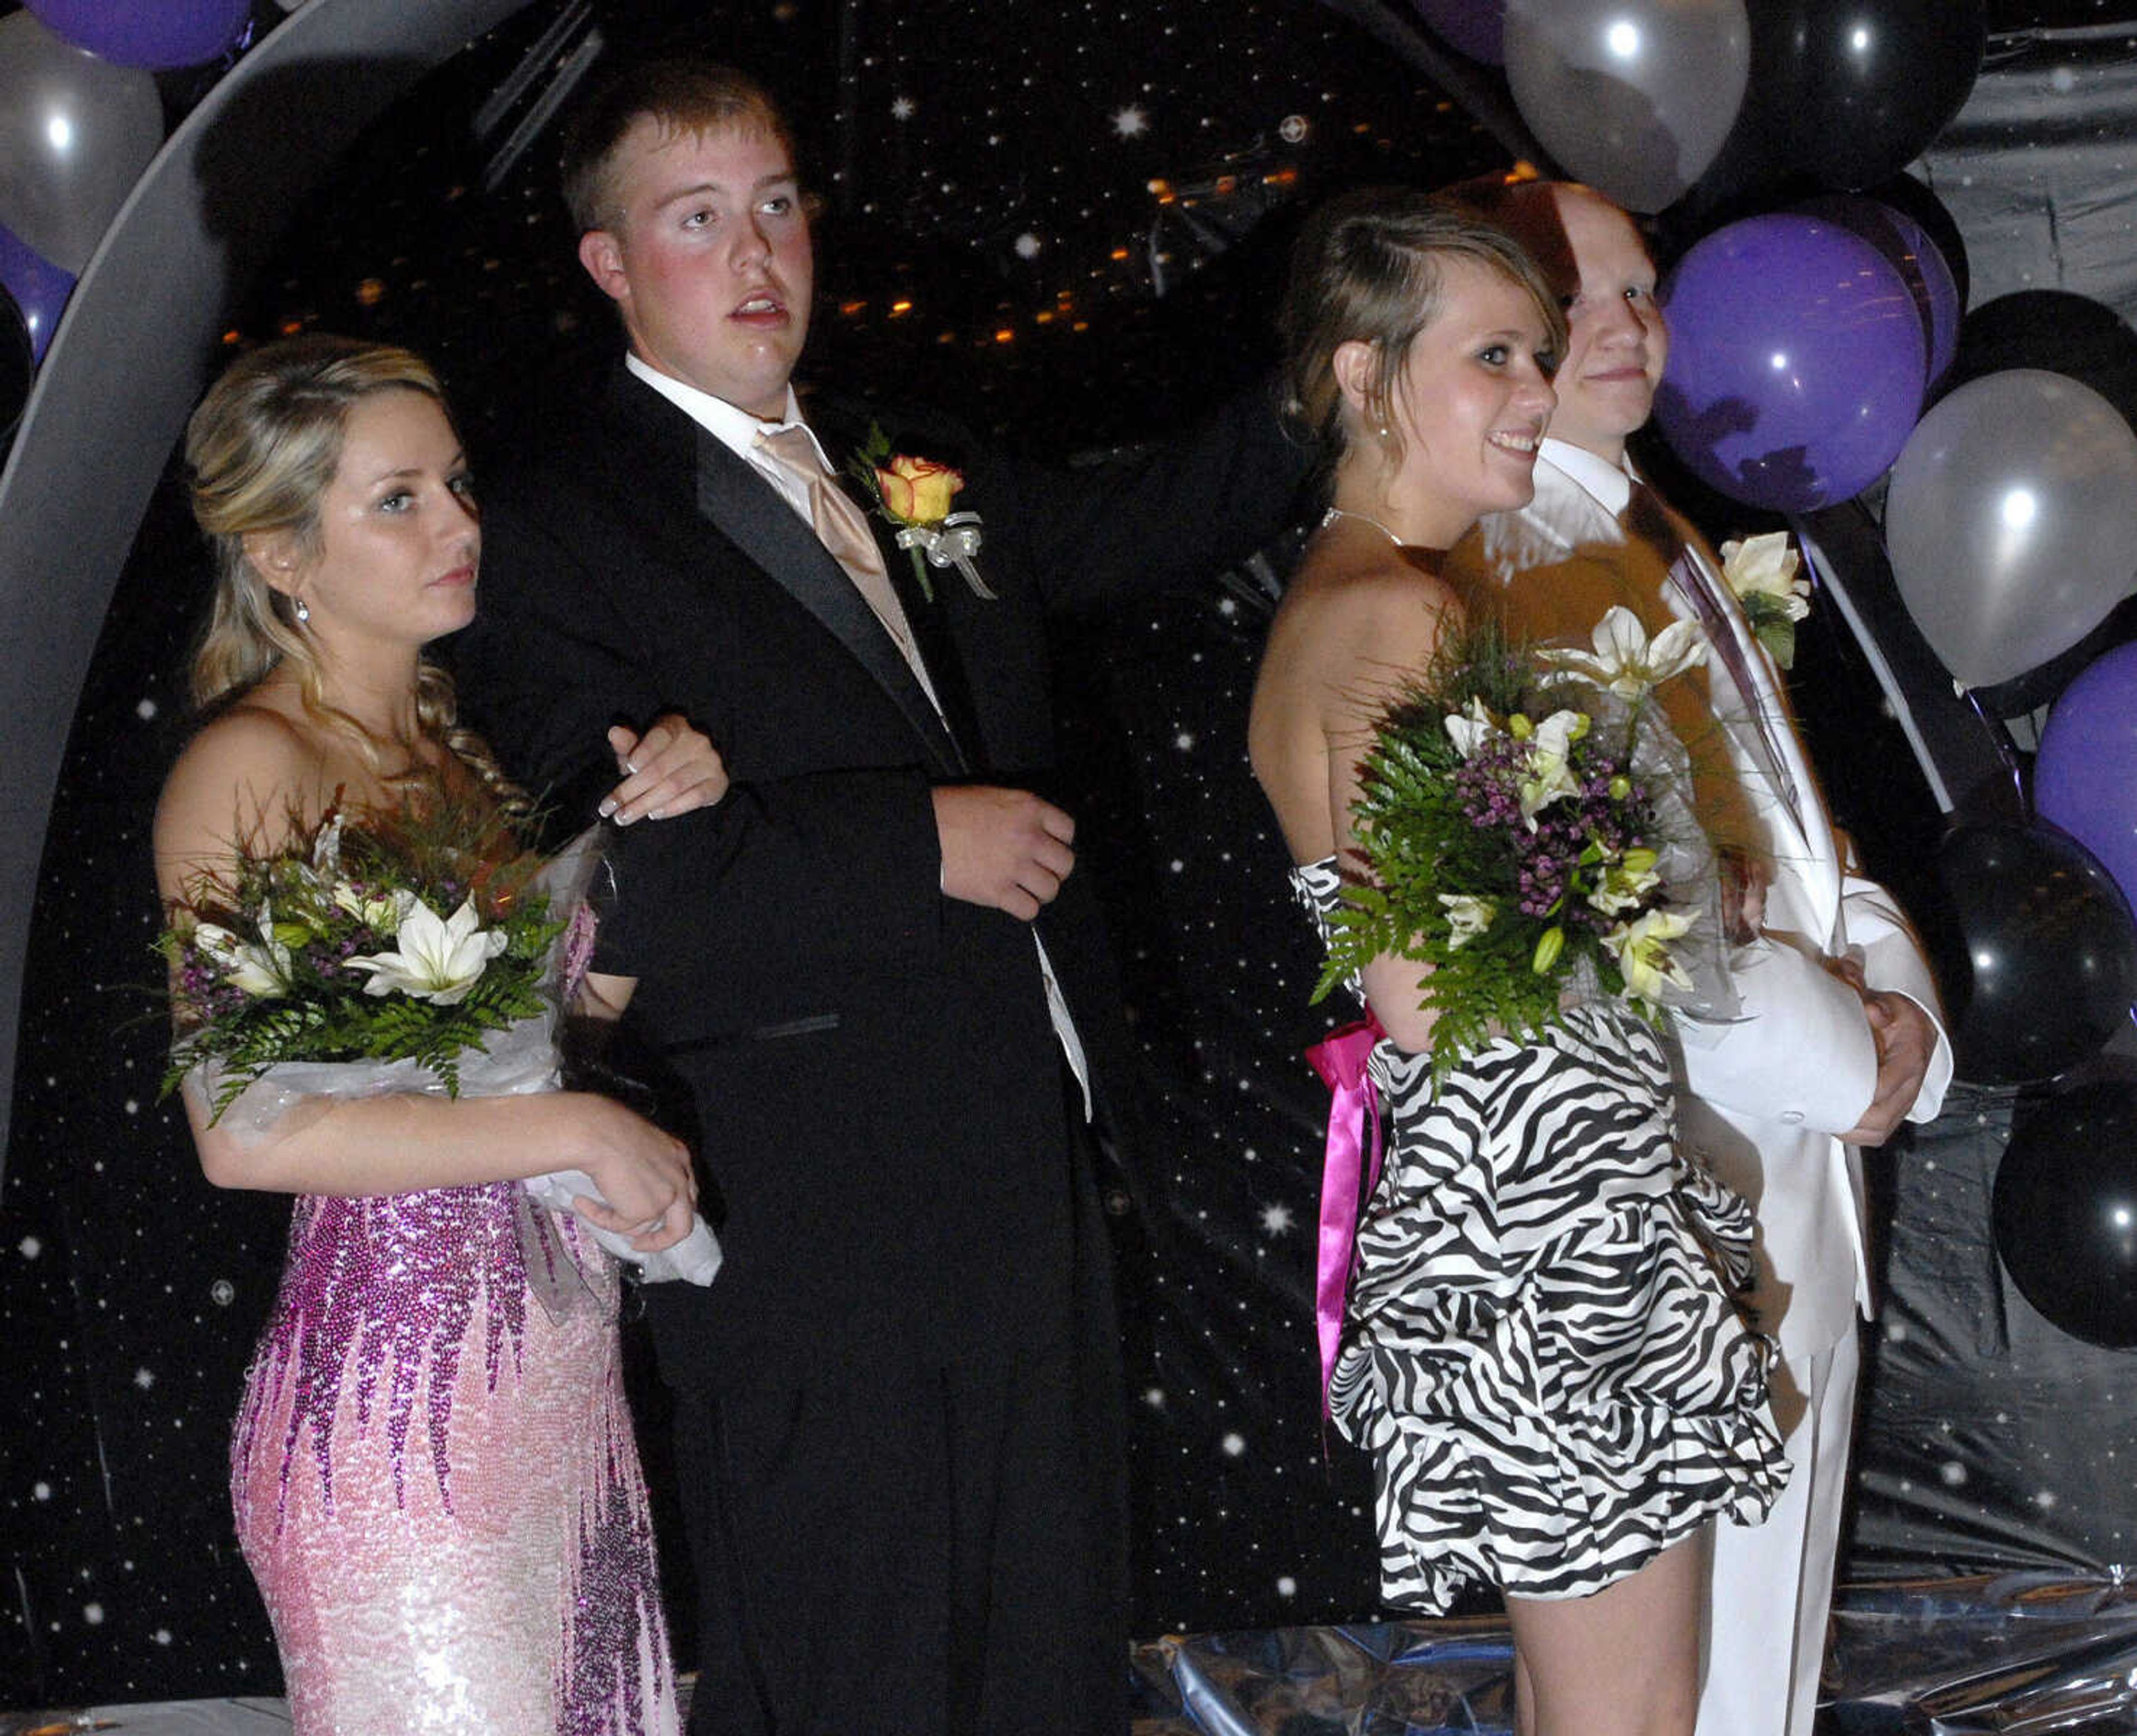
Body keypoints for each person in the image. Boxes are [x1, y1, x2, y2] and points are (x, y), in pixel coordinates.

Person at [449, 56, 1309, 1736]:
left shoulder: (898, 452)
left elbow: (1121, 530)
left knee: (1044, 1657)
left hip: (1013, 1160)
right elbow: (613, 882)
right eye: (698, 221)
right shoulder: (558, 528)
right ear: (612, 265)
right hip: (806, 1203)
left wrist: (1324, 397)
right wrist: (919, 843)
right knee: (862, 1669)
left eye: (776, 204)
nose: (759, 253)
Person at [1248, 188, 1790, 1736]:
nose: (1539, 394)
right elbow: (1423, 990)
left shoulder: (1352, 600)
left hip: (1532, 1206)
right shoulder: (1397, 615)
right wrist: (1634, 889)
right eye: (1494, 357)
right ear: (1366, 378)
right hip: (1549, 1225)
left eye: (1539, 356)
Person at [155, 334, 728, 1734]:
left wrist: (653, 843)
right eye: (398, 499)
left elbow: (549, 1046)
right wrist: (577, 1125)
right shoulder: (253, 766)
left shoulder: (445, 753)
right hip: (396, 1432)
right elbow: (242, 1135)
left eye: (456, 484)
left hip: (558, 1401)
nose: (460, 523)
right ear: (283, 553)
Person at [1444, 178, 1953, 1736]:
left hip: (1791, 1172)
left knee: (1756, 1690)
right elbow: (1625, 921)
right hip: (1684, 1194)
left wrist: (1905, 1014)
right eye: (1575, 298)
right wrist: (1837, 1053)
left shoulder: (1647, 530)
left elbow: (1806, 850)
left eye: (1643, 288)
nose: (1627, 325)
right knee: (1694, 1695)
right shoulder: (1509, 563)